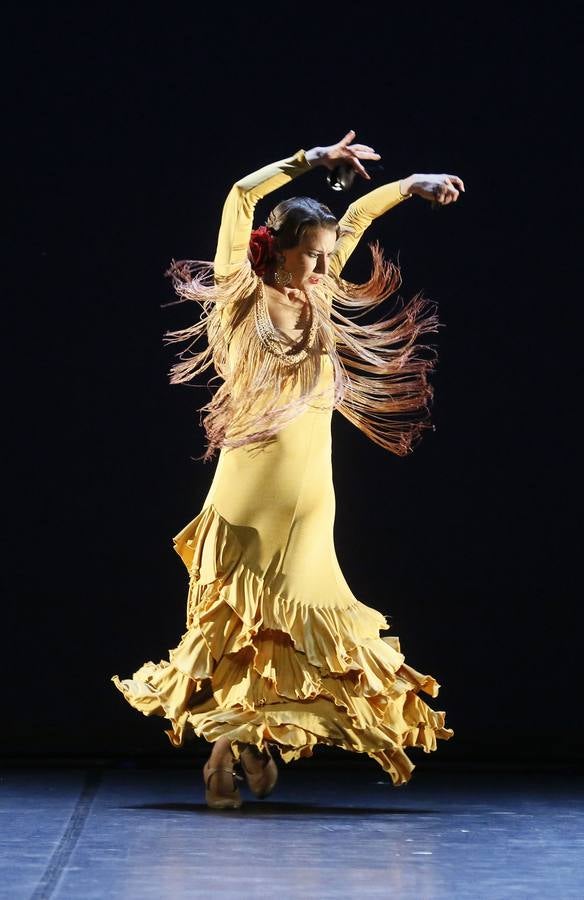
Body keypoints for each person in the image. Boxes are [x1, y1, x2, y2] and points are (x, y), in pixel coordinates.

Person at [113, 131, 462, 809]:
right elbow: (242, 196)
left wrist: (411, 184)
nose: (325, 268)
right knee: (246, 620)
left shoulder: (318, 293)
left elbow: (353, 218)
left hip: (312, 490)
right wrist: (310, 161)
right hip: (255, 486)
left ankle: (242, 746)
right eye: (312, 256)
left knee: (289, 625)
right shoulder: (243, 297)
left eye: (328, 257)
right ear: (279, 250)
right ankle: (229, 749)